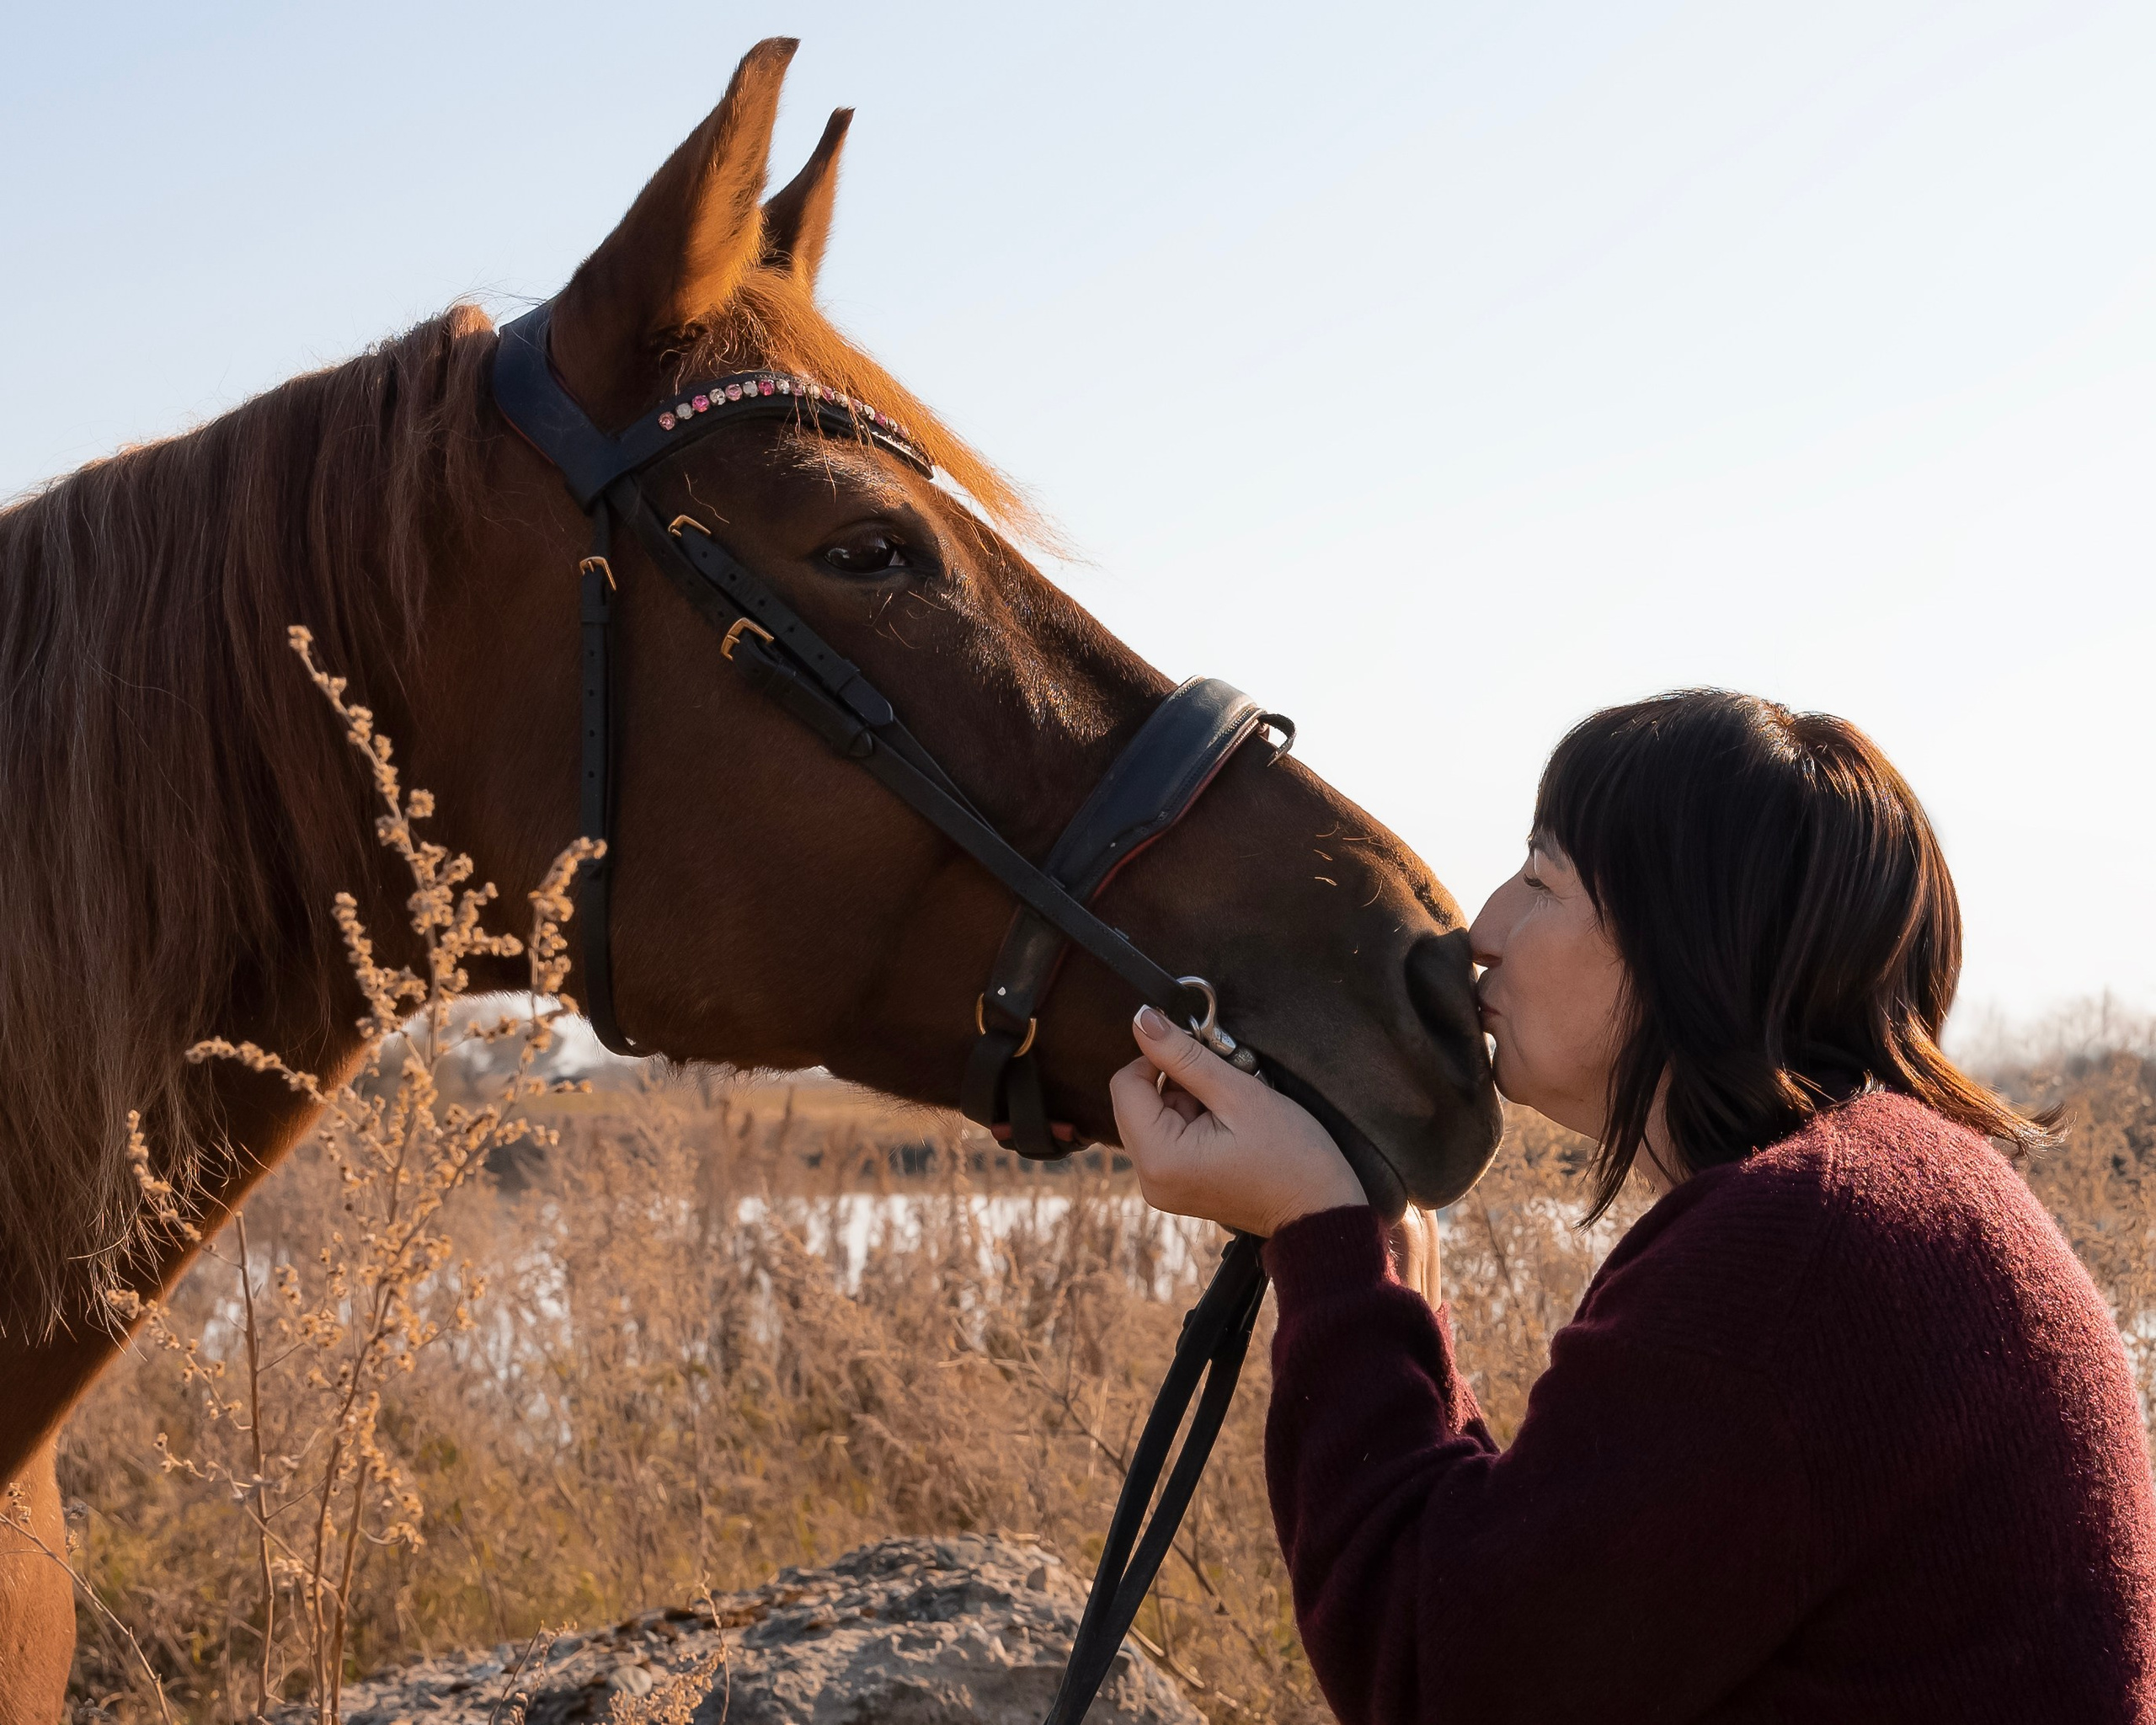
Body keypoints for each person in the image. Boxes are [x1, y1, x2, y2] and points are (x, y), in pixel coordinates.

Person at [1113, 690, 2156, 1724]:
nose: (1482, 929)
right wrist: (1383, 1293)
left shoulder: (1802, 1247)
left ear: (1685, 935)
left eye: (1540, 878)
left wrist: (1317, 1234)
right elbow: (1542, 1611)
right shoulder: (1887, 1203)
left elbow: (1442, 1679)